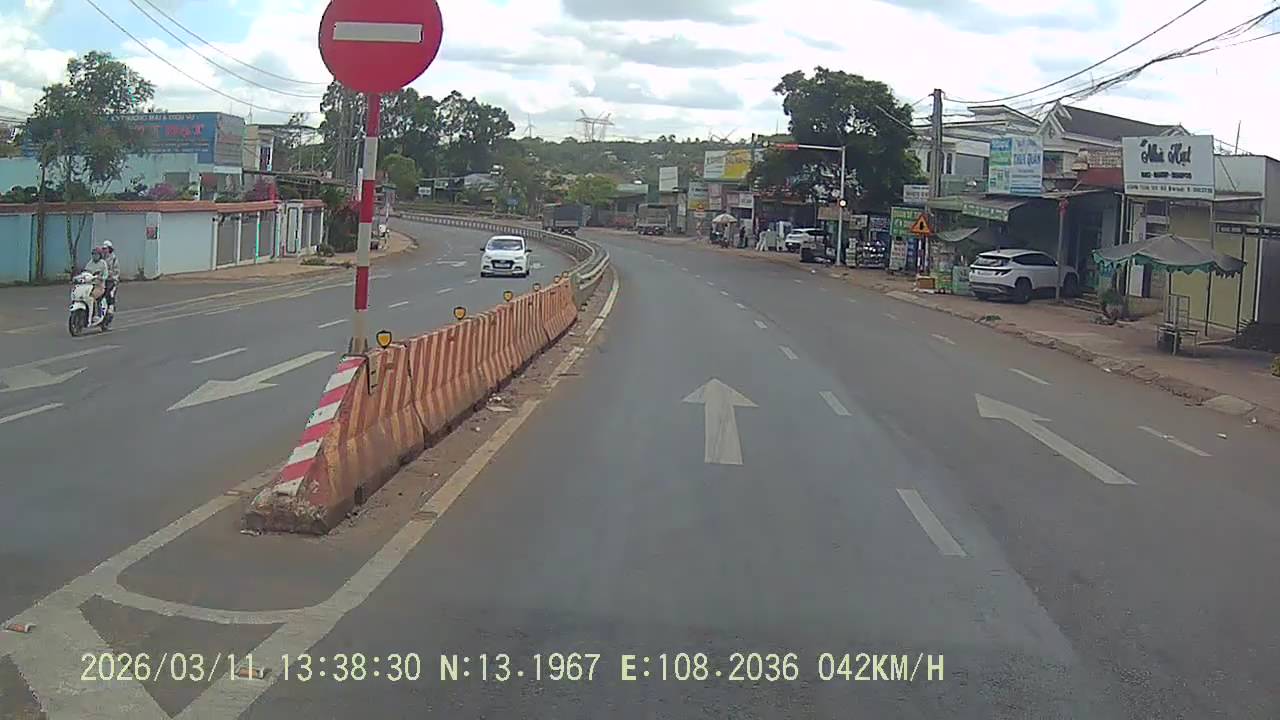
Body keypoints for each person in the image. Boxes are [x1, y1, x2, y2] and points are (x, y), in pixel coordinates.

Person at [83, 247, 110, 319]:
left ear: (100, 255)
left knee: (92, 297)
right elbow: (85, 271)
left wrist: (101, 278)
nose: (94, 256)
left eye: (96, 254)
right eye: (93, 254)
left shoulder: (103, 263)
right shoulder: (90, 263)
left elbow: (105, 274)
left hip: (99, 286)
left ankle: (96, 314)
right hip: (88, 285)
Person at [101, 240, 120, 314]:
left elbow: (116, 271)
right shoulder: (101, 258)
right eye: (103, 249)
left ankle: (111, 306)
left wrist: (110, 275)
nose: (104, 250)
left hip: (111, 280)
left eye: (105, 249)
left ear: (109, 249)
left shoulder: (114, 259)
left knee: (110, 292)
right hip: (102, 279)